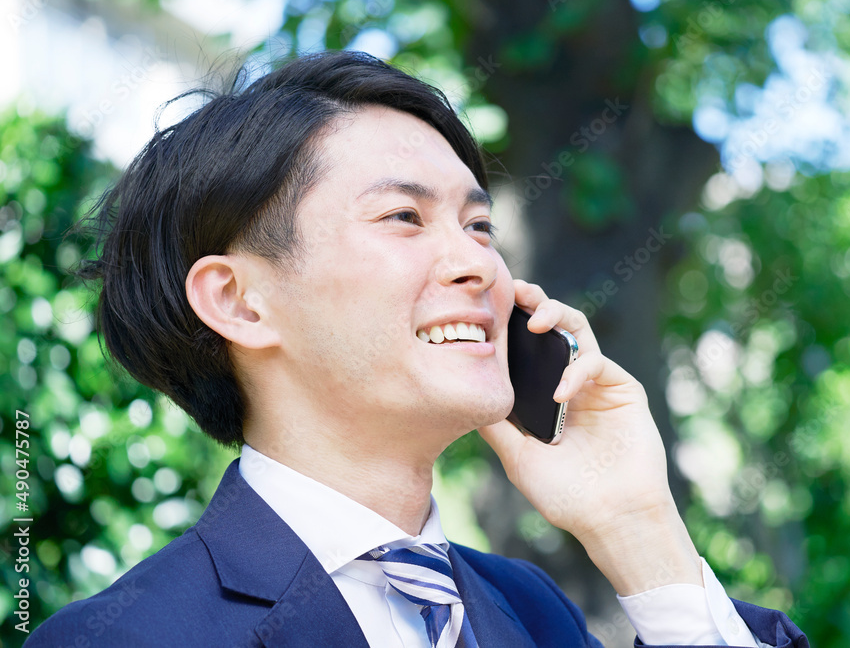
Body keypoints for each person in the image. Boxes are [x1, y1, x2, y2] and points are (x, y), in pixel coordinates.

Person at [26, 50, 808, 648]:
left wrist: (638, 528)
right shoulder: (125, 636)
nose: (480, 265)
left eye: (478, 226)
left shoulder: (532, 612)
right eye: (404, 216)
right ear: (238, 300)